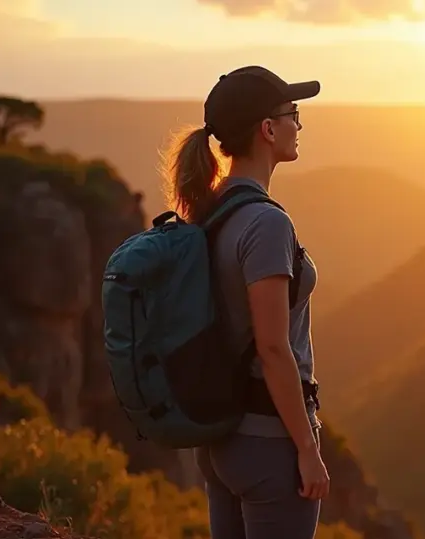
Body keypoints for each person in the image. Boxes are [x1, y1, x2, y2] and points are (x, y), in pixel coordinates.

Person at [162, 65, 330, 539]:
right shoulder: (265, 224)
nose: (298, 124)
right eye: (292, 114)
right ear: (268, 129)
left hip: (222, 442)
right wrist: (306, 448)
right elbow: (273, 348)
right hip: (269, 444)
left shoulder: (210, 210)